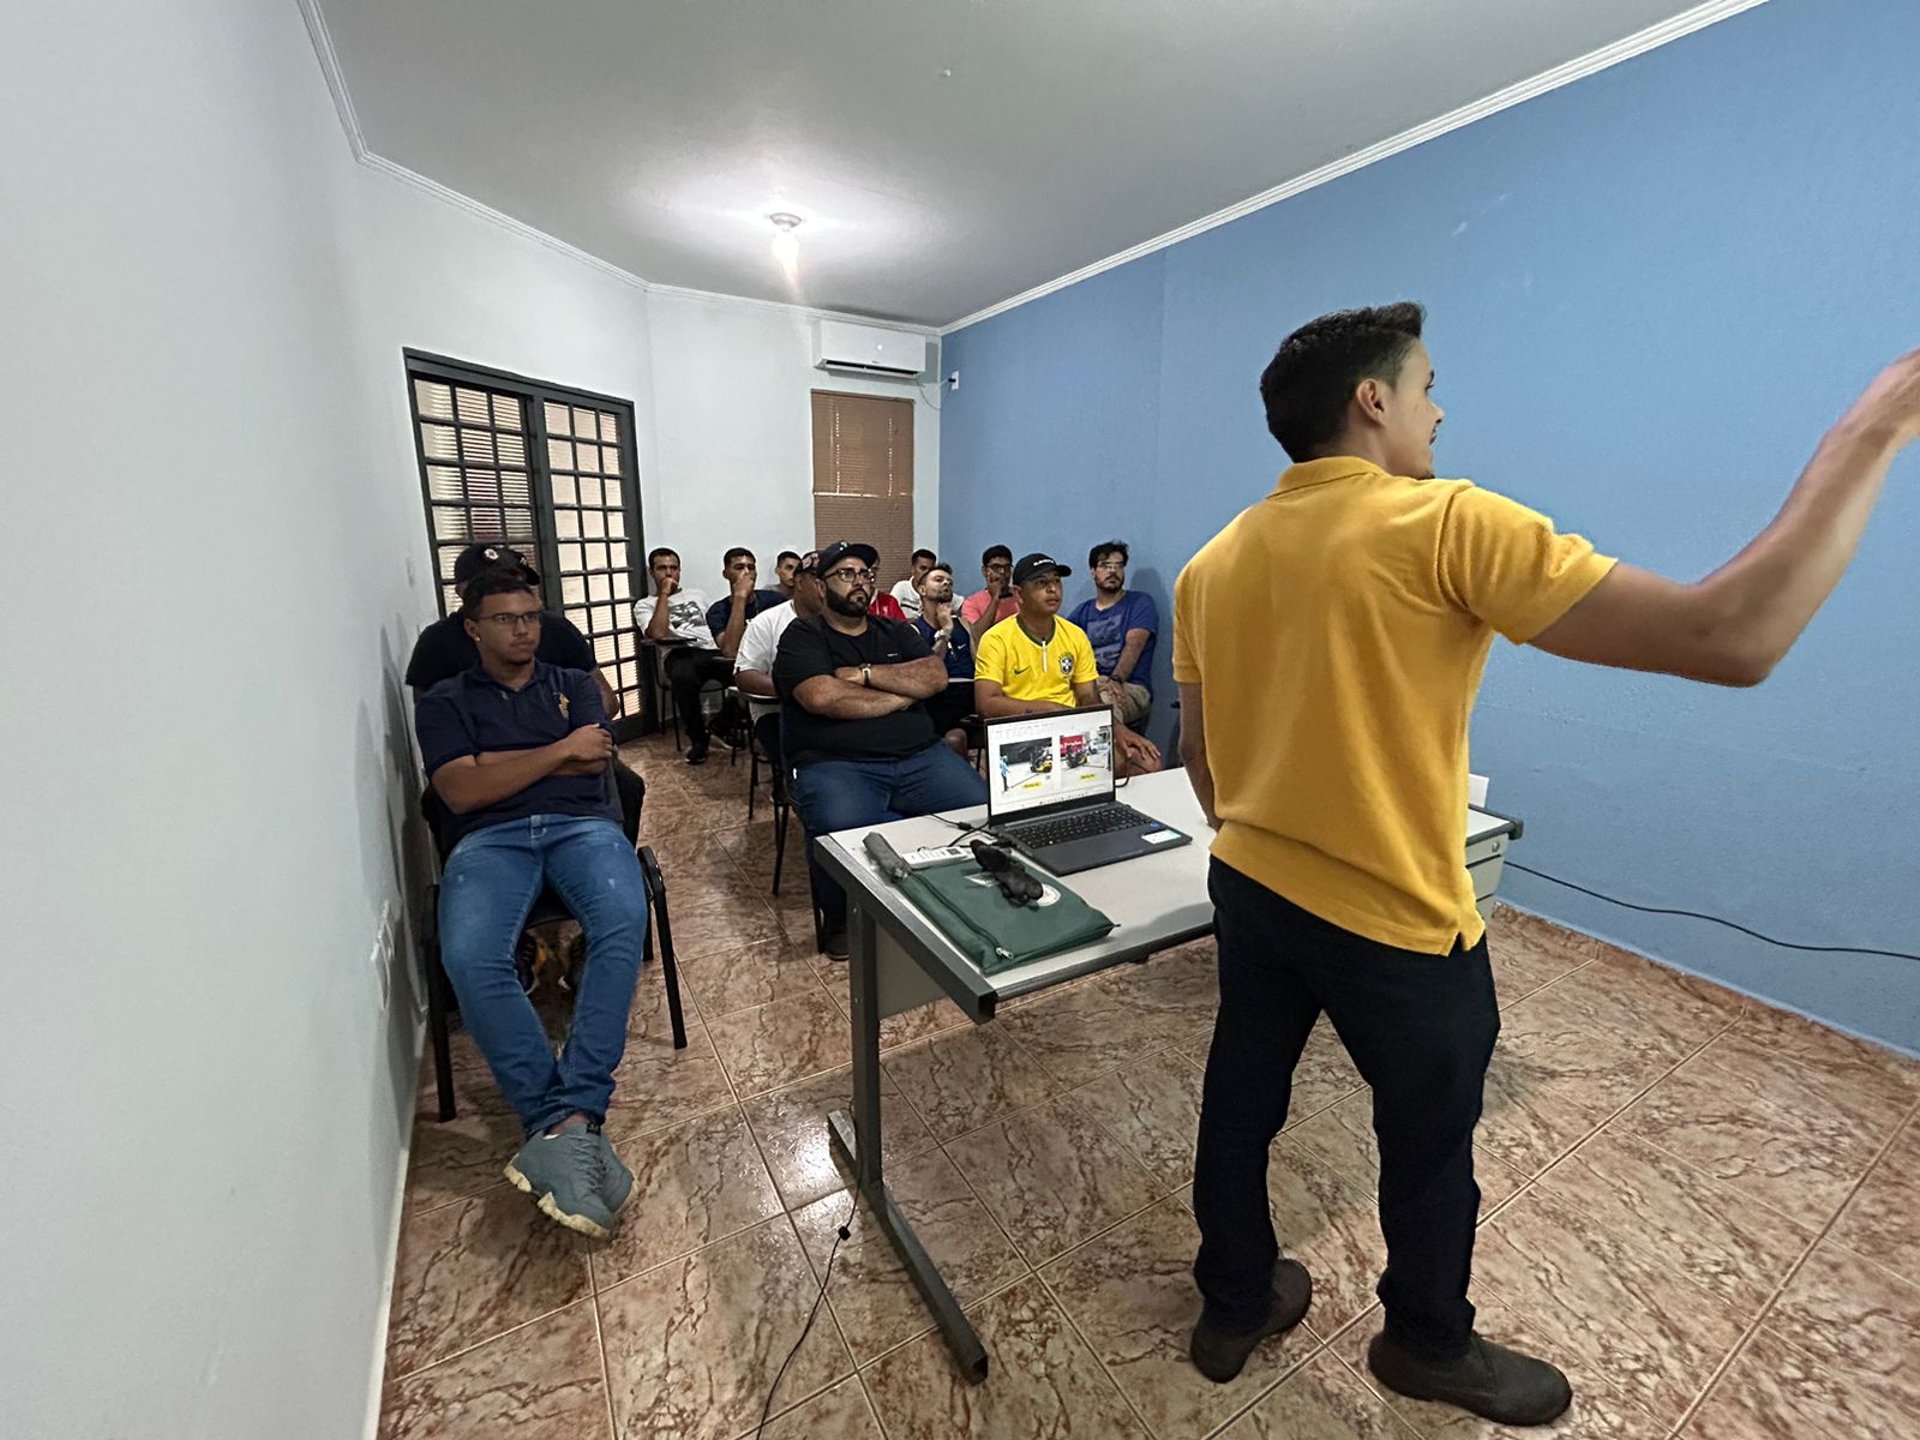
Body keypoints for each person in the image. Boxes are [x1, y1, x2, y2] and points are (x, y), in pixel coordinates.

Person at [1173, 302, 1920, 1425]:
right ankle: (1426, 1343)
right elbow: (1733, 636)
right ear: (1371, 401)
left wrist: (1265, 829)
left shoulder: (1211, 561)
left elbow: (1201, 757)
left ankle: (1234, 1302)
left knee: (1242, 1098)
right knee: (1427, 1146)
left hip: (1252, 883)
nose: (1440, 409)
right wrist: (1870, 432)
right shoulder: (1441, 522)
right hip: (1393, 917)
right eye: (1427, 387)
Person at [413, 570, 649, 1242]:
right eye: (506, 619)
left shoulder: (570, 682)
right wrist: (556, 752)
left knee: (622, 922)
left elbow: (594, 759)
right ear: (473, 628)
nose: (523, 629)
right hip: (488, 839)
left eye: (530, 616)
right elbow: (459, 792)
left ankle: (565, 1119)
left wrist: (502, 764)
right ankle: (569, 1125)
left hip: (583, 828)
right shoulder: (444, 699)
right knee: (469, 956)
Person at [772, 541, 988, 959]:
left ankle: (954, 900)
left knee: (977, 810)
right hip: (836, 763)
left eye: (866, 574)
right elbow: (824, 698)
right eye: (846, 574)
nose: (860, 582)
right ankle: (841, 920)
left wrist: (865, 675)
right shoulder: (803, 636)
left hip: (919, 756)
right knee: (842, 830)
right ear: (820, 585)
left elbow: (935, 675)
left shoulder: (895, 630)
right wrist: (901, 695)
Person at [407, 542, 645, 828]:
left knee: (626, 787)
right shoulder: (437, 644)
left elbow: (605, 704)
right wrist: (563, 750)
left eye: (514, 581)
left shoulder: (556, 631)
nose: (521, 629)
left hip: (535, 766)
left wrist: (493, 761)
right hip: (485, 777)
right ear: (462, 593)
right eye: (490, 584)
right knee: (438, 802)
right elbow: (439, 735)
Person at [973, 552, 1161, 774]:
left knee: (1147, 761)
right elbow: (986, 704)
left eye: (1056, 581)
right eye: (1042, 583)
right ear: (1019, 594)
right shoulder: (997, 638)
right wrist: (1049, 710)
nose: (1053, 589)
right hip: (1023, 735)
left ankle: (1107, 810)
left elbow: (1088, 697)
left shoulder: (1074, 635)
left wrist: (1116, 729)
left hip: (1071, 733)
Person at [633, 547, 735, 764]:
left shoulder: (698, 595)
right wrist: (663, 594)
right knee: (683, 677)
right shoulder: (644, 604)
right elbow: (658, 633)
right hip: (680, 653)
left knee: (745, 670)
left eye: (673, 568)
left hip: (711, 649)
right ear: (652, 572)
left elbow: (715, 624)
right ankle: (699, 740)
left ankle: (722, 723)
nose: (669, 574)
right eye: (662, 568)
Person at [1068, 540, 1159, 728]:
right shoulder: (1081, 613)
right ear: (1093, 571)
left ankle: (1107, 756)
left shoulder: (1140, 603)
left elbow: (1134, 646)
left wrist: (1116, 679)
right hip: (1091, 684)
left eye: (1118, 566)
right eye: (1105, 566)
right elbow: (1063, 649)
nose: (1113, 571)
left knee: (1103, 708)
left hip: (1130, 686)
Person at [910, 561, 974, 753]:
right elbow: (929, 670)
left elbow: (978, 663)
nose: (946, 584)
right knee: (954, 738)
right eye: (938, 580)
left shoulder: (963, 624)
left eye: (949, 582)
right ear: (922, 589)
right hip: (938, 697)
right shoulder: (914, 630)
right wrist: (945, 631)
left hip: (969, 694)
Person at [703, 547, 788, 650]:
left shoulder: (776, 600)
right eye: (739, 568)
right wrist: (740, 598)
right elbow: (730, 650)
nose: (746, 572)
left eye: (751, 567)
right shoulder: (717, 610)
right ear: (726, 574)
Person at [960, 544, 1019, 648]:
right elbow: (976, 636)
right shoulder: (971, 602)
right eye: (996, 568)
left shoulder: (1021, 596)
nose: (1002, 572)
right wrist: (996, 598)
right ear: (985, 571)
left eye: (1006, 568)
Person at [890, 548, 937, 620]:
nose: (927, 573)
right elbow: (889, 615)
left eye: (931, 570)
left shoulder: (938, 589)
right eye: (923, 568)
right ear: (912, 569)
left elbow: (960, 603)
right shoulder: (902, 587)